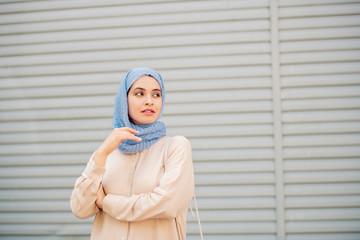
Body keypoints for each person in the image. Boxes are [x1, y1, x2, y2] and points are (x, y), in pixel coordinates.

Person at [70, 67, 199, 240]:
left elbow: (167, 204)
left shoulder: (175, 147)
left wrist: (105, 202)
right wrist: (101, 153)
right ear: (124, 100)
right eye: (139, 94)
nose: (149, 101)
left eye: (156, 94)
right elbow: (80, 209)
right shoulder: (108, 153)